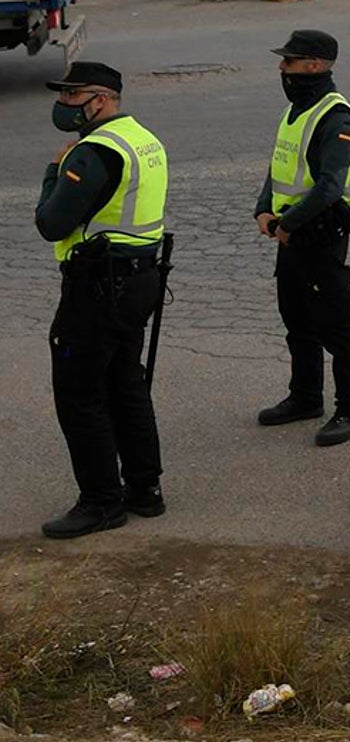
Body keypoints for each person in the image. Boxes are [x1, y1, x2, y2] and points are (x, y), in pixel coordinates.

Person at [35, 61, 169, 539]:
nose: (64, 105)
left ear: (102, 100)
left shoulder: (92, 154)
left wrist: (54, 171)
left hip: (96, 289)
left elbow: (52, 223)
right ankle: (144, 489)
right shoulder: (142, 138)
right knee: (125, 383)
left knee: (79, 394)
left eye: (74, 97)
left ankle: (100, 501)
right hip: (138, 281)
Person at [254, 29, 350, 446]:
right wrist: (263, 208)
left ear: (316, 66)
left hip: (319, 232)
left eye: (290, 61)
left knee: (336, 324)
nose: (281, 68)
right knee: (296, 319)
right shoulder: (296, 111)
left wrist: (287, 224)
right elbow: (279, 165)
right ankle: (305, 397)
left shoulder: (337, 116)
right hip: (291, 232)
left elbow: (328, 186)